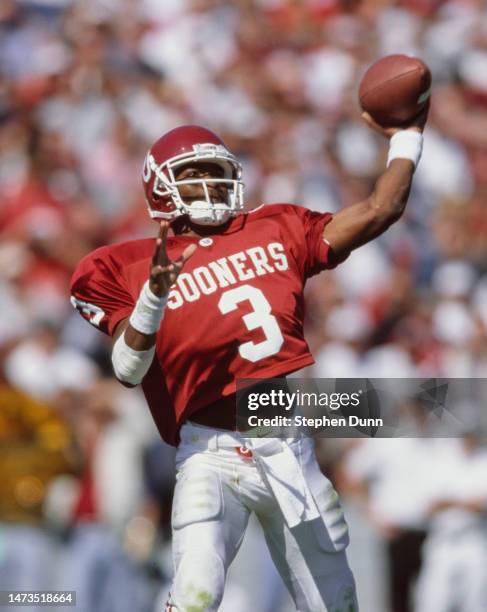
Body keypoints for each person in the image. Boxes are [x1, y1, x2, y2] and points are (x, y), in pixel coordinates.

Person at [70, 103, 428, 611]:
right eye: (194, 176)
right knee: (195, 596)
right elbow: (128, 371)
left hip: (286, 440)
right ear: (160, 187)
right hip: (209, 449)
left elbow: (379, 210)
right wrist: (153, 296)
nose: (211, 186)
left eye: (217, 174)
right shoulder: (123, 266)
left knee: (336, 603)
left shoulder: (276, 226)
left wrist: (407, 138)